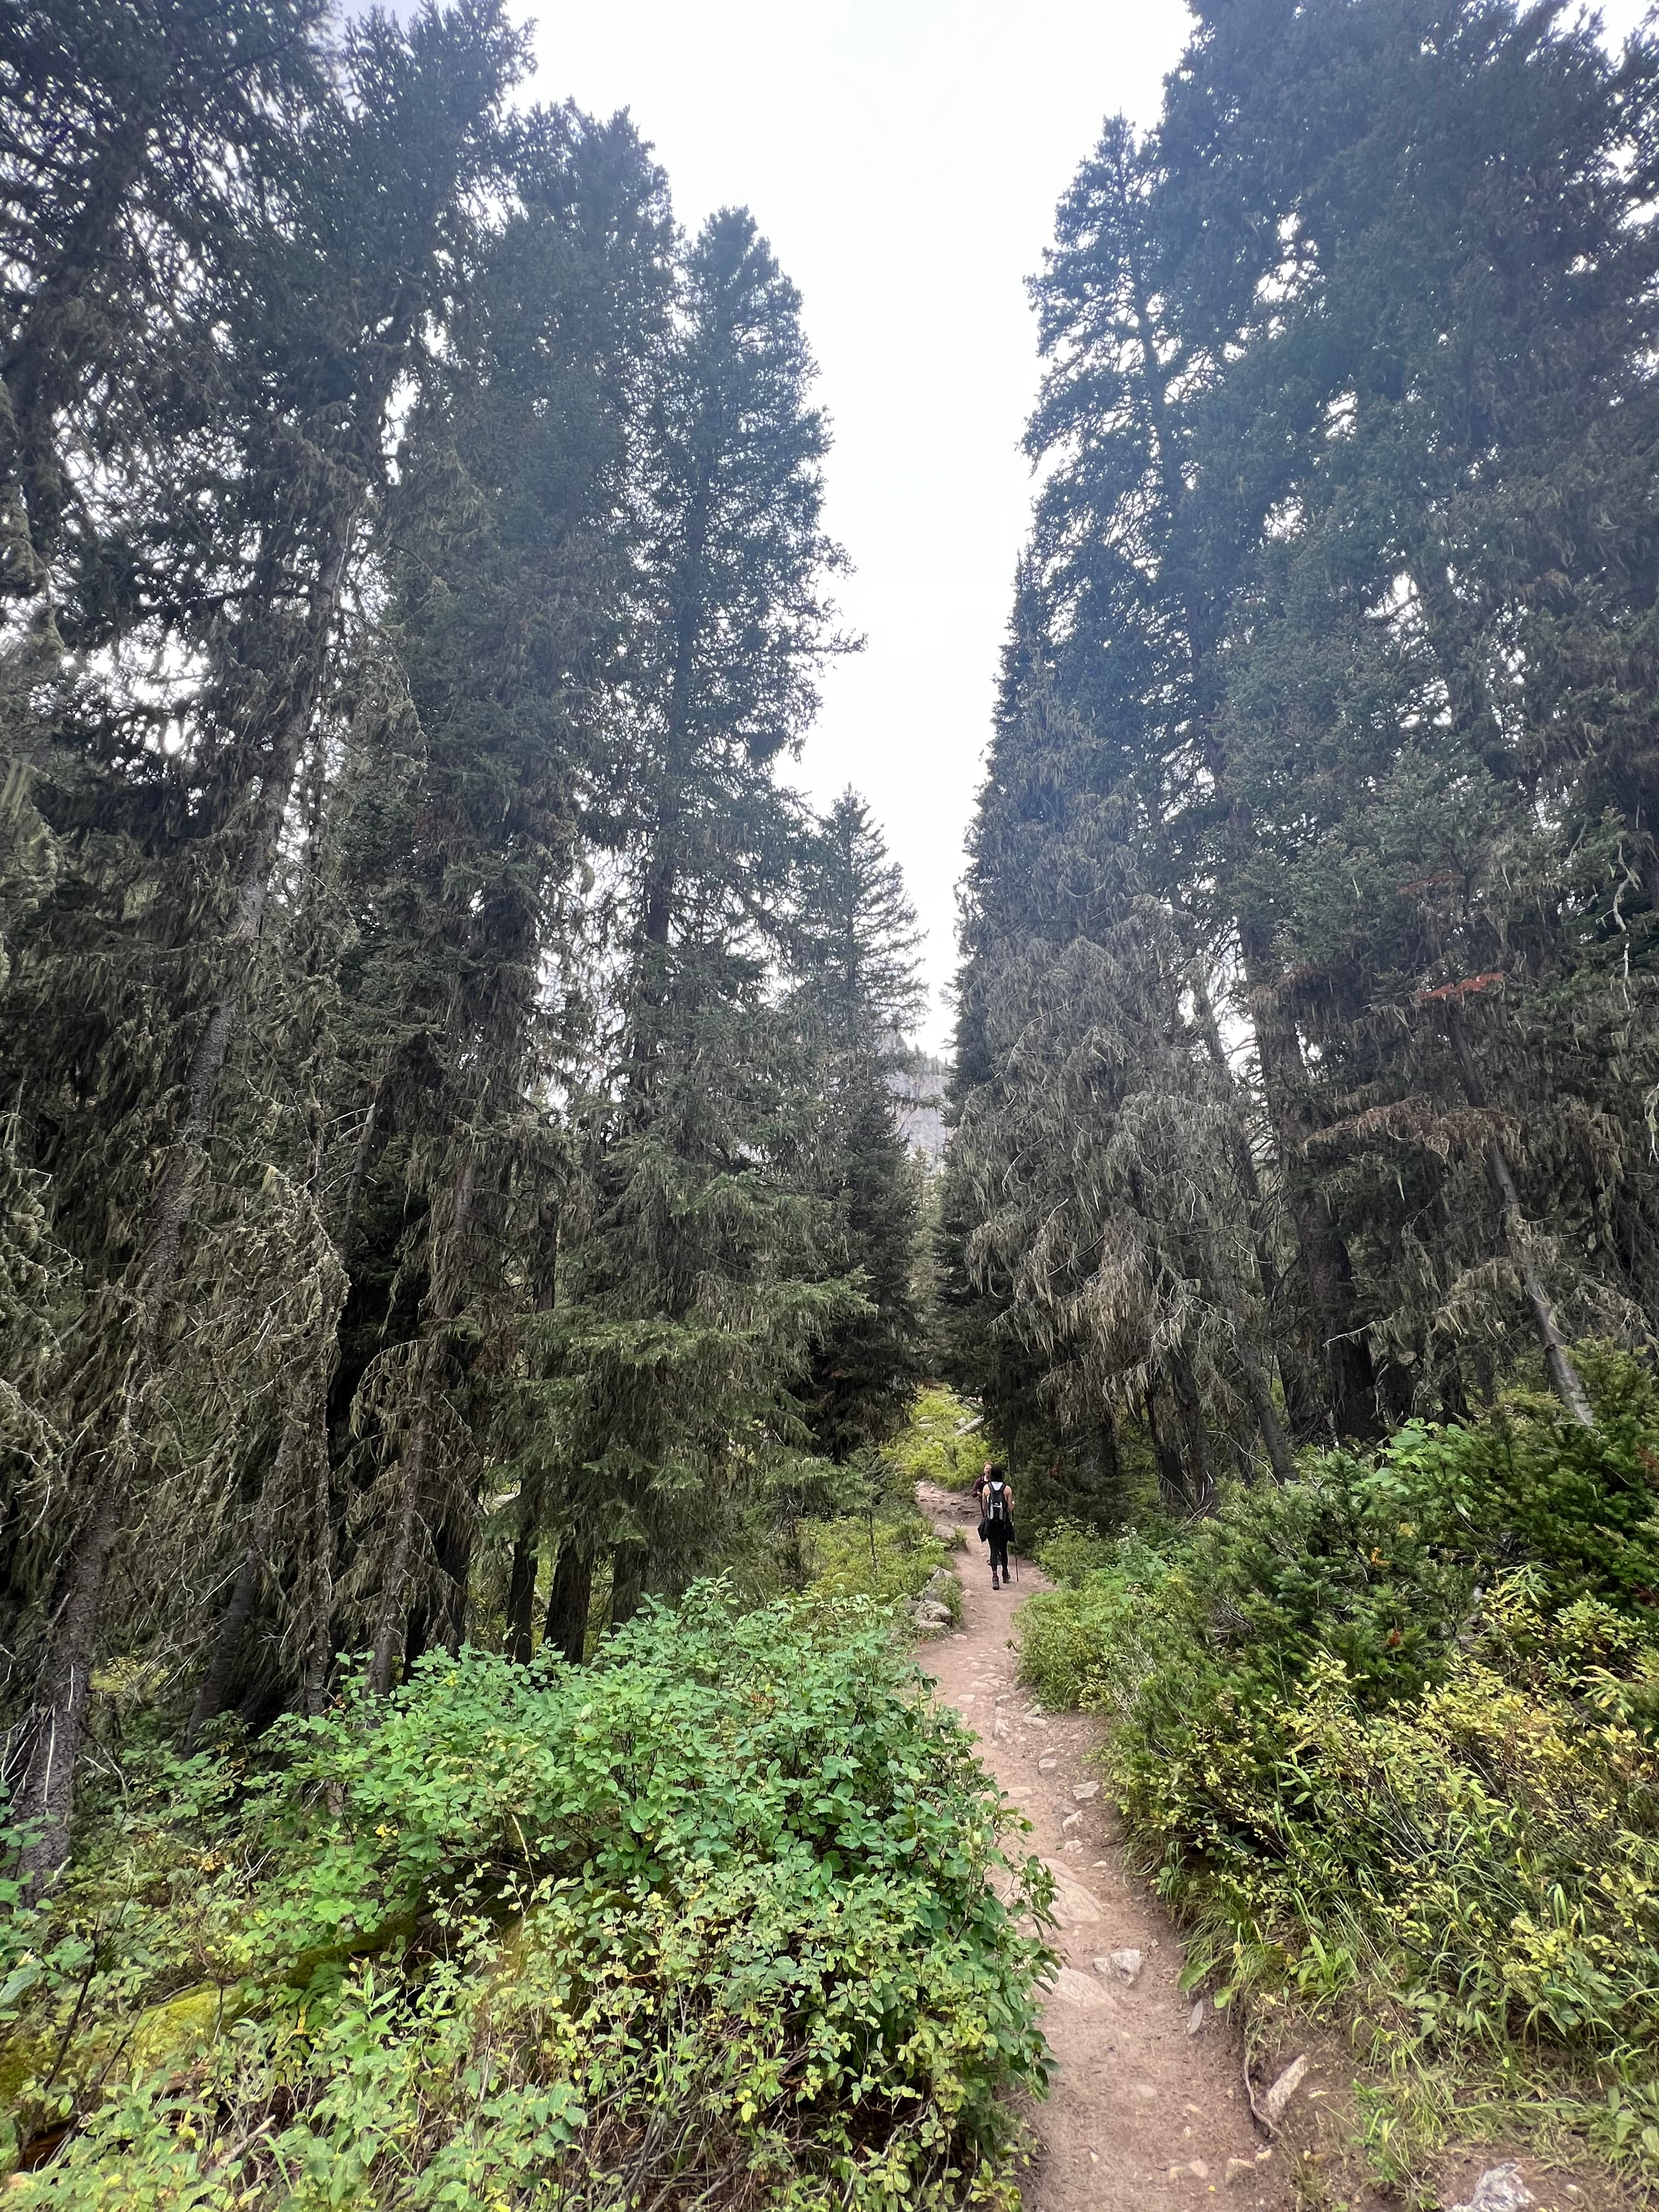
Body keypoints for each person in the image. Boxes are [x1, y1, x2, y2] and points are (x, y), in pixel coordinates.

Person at [975, 1460, 1015, 1590]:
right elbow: (1010, 1508)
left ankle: (994, 1578)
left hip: (991, 1524)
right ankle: (1005, 1572)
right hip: (1003, 1524)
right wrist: (1013, 1505)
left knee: (993, 1550)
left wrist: (988, 1517)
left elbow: (985, 1507)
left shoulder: (987, 1488)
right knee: (1003, 1550)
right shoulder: (1007, 1489)